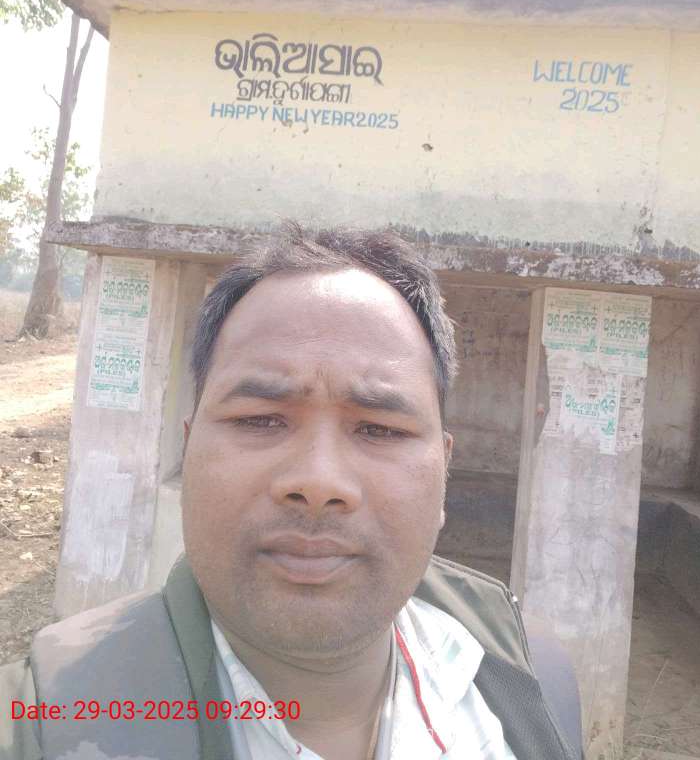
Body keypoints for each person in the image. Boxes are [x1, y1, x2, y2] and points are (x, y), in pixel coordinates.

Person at [0, 223, 582, 760]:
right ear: (190, 450)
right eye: (259, 420)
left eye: (380, 429)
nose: (318, 482)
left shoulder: (530, 683)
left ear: (444, 470)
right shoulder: (44, 724)